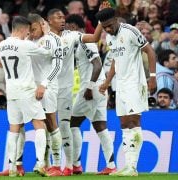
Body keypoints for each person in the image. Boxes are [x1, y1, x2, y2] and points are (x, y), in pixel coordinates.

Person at [0, 13, 64, 177]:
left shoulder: (2, 44)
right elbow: (47, 53)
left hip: (15, 91)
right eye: (28, 30)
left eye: (32, 30)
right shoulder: (26, 44)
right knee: (39, 125)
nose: (29, 34)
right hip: (28, 90)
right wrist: (47, 33)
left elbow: (16, 61)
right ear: (23, 29)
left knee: (15, 129)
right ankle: (40, 163)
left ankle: (13, 167)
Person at [97, 8, 157, 176]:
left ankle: (133, 167)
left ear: (116, 19)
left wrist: (152, 77)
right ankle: (128, 166)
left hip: (135, 83)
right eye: (104, 27)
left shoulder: (130, 31)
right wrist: (107, 82)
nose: (107, 30)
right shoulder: (110, 37)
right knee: (123, 124)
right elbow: (116, 61)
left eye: (109, 25)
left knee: (133, 122)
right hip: (120, 85)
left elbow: (150, 51)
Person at [66, 14, 116, 175]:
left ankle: (76, 164)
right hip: (100, 88)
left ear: (73, 27)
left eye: (67, 26)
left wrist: (89, 87)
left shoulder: (85, 41)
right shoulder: (80, 42)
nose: (66, 30)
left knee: (71, 123)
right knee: (100, 126)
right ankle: (111, 165)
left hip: (92, 88)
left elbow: (97, 64)